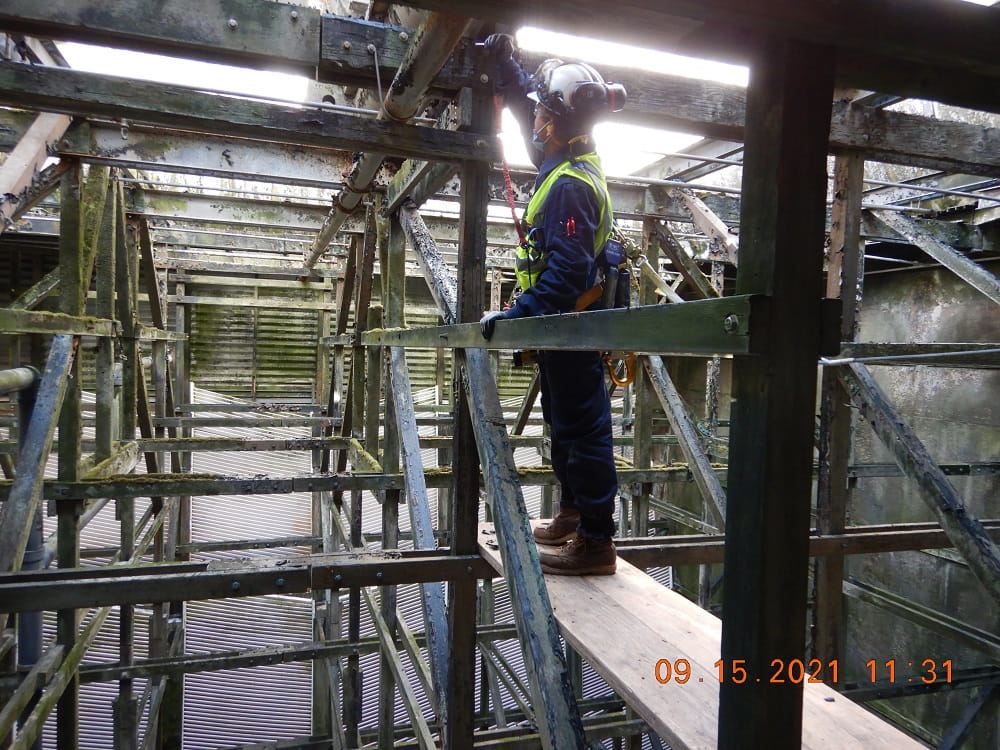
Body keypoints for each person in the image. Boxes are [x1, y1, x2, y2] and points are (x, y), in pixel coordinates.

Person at [479, 34, 626, 576]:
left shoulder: (568, 186)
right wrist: (507, 68)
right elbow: (524, 114)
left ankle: (595, 541)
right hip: (564, 329)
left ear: (555, 122)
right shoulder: (569, 159)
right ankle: (571, 514)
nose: (534, 119)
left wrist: (518, 314)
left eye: (542, 110)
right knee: (566, 425)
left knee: (584, 430)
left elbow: (566, 272)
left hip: (573, 323)